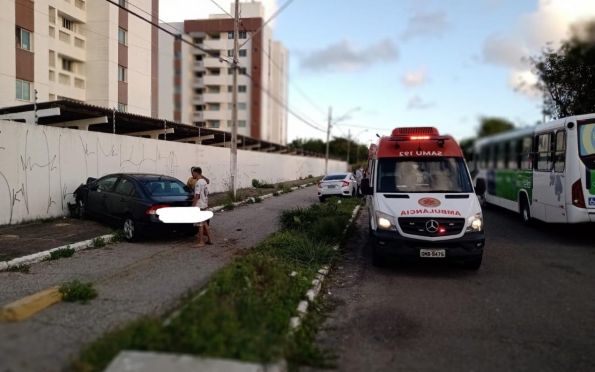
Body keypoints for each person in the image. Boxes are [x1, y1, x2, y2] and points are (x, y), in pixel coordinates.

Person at [192, 167, 213, 246]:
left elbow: (197, 196)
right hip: (205, 204)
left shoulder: (198, 183)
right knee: (204, 223)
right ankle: (210, 239)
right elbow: (208, 181)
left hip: (200, 205)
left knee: (200, 224)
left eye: (193, 173)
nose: (192, 174)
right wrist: (201, 175)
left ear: (196, 173)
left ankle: (201, 242)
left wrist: (193, 206)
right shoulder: (204, 181)